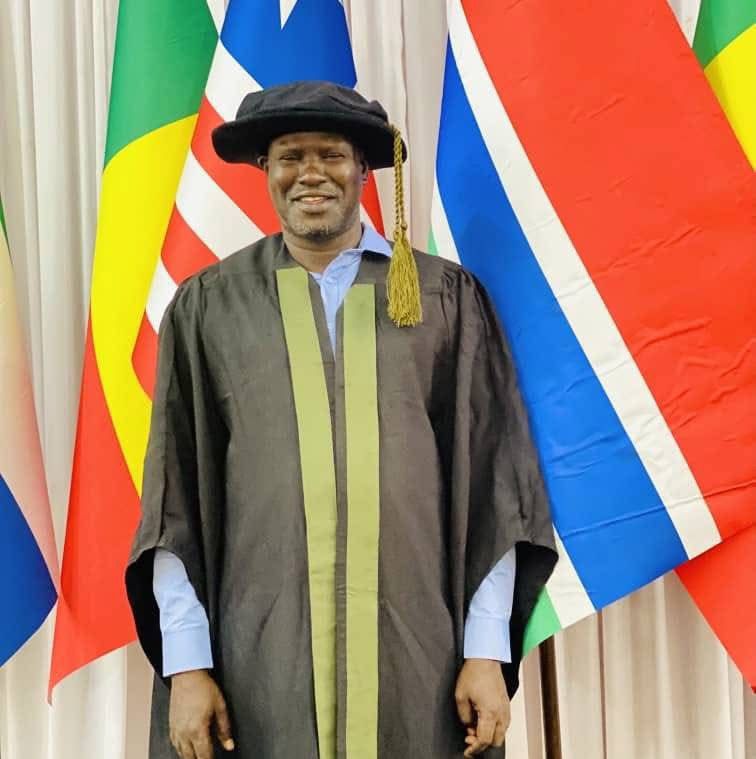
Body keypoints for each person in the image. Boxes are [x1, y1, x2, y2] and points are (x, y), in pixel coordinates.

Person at [126, 81, 556, 759]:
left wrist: (486, 651)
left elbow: (494, 486)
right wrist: (186, 665)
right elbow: (173, 501)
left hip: (420, 657)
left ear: (362, 168)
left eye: (330, 154)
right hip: (260, 660)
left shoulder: (443, 299)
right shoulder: (211, 307)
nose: (311, 174)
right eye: (290, 156)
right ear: (264, 169)